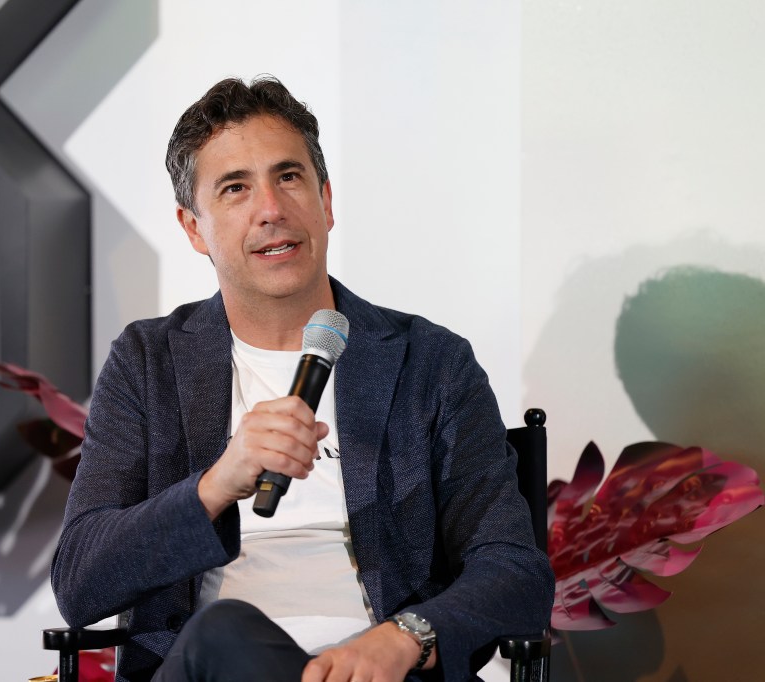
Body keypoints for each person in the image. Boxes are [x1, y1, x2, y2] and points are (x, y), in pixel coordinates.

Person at [51, 76, 554, 682]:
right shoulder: (148, 362)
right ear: (193, 228)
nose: (271, 209)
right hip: (207, 666)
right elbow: (81, 582)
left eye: (288, 177)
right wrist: (215, 485)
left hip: (380, 675)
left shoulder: (431, 363)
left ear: (327, 201)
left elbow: (512, 569)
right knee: (221, 632)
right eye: (236, 189)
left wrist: (404, 637)